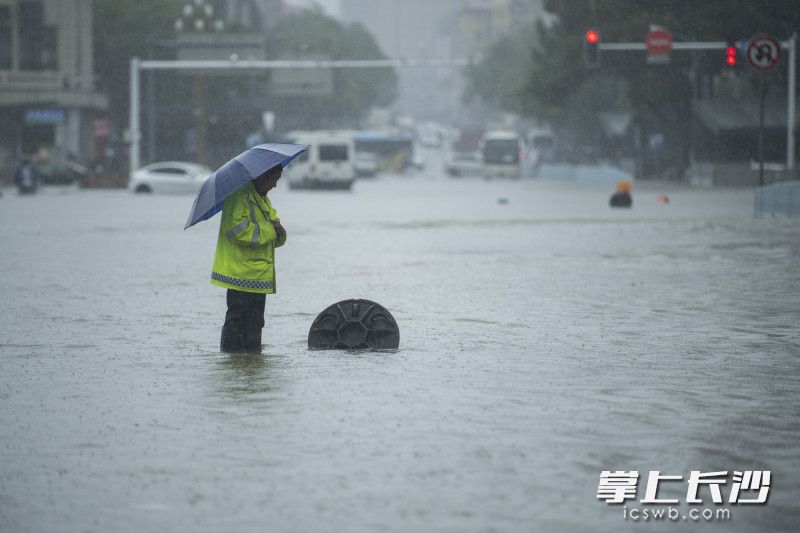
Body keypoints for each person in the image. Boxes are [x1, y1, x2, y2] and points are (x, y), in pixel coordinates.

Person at [211, 165, 287, 353]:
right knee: (236, 321)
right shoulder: (238, 196)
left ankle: (251, 362)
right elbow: (237, 230)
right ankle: (232, 358)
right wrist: (271, 230)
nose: (275, 185)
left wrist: (278, 231)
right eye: (274, 180)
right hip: (241, 275)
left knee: (255, 322)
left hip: (257, 276)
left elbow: (274, 223)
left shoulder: (261, 197)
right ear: (263, 176)